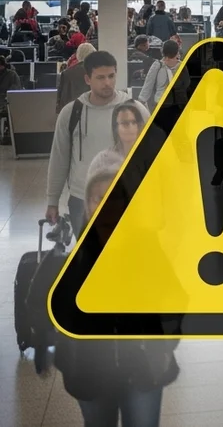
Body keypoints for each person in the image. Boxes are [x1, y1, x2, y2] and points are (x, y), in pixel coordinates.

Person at [55, 163, 179, 427]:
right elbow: (49, 308)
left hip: (142, 370)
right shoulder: (73, 261)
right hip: (90, 374)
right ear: (88, 204)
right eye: (99, 197)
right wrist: (65, 352)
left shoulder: (149, 249)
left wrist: (166, 344)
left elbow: (176, 298)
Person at [46, 52, 149, 232]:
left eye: (111, 76)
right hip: (83, 200)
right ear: (87, 79)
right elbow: (59, 159)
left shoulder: (136, 110)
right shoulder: (71, 113)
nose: (107, 82)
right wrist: (52, 201)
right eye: (100, 77)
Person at [86, 101, 146, 180]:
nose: (131, 127)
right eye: (125, 123)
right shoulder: (102, 161)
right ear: (116, 128)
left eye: (134, 122)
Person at [139, 40, 182, 110]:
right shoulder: (157, 65)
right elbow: (148, 84)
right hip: (160, 104)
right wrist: (141, 103)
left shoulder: (182, 66)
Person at [56, 43, 97, 114]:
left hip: (72, 113)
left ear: (78, 55)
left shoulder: (66, 73)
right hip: (93, 112)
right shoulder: (98, 72)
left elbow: (62, 99)